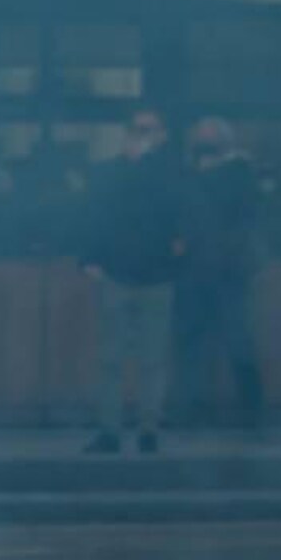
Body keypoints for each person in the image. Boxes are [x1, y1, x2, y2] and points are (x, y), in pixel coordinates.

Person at [81, 106, 184, 455]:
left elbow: (180, 213)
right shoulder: (111, 171)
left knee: (152, 359)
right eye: (136, 129)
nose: (142, 136)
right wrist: (90, 259)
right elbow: (94, 213)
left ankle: (148, 427)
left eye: (149, 130)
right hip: (117, 272)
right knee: (110, 358)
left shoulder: (171, 172)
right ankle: (110, 429)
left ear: (163, 135)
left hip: (156, 275)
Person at [172, 116, 263, 431]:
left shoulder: (239, 175)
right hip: (194, 272)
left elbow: (243, 221)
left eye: (208, 139)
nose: (202, 145)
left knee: (237, 342)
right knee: (189, 345)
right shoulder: (190, 175)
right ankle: (188, 409)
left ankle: (252, 411)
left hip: (227, 273)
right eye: (199, 137)